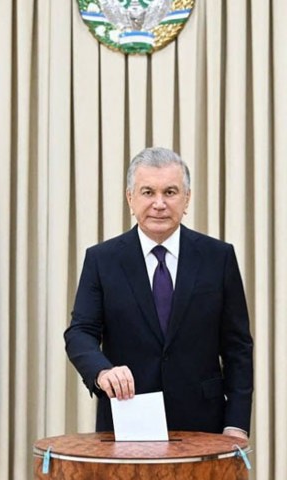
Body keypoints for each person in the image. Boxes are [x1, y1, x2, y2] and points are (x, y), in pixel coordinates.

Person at [64, 147, 253, 441]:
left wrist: (236, 424)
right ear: (130, 198)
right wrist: (102, 372)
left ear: (186, 198)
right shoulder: (102, 260)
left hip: (204, 424)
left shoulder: (218, 258)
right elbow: (80, 332)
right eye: (148, 192)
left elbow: (237, 347)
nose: (159, 204)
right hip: (127, 417)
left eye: (170, 192)